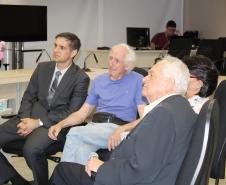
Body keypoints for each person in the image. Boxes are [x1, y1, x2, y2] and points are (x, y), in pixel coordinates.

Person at [50, 55, 197, 185]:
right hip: (143, 173)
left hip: (130, 178)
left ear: (169, 84)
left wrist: (101, 167)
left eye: (151, 75)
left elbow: (140, 171)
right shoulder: (179, 107)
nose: (144, 79)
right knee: (81, 156)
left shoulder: (163, 115)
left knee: (63, 170)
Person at [0, 32, 90, 185]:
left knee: (31, 150)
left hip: (54, 124)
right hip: (28, 117)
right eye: (55, 45)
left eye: (62, 47)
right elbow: (28, 96)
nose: (56, 50)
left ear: (73, 52)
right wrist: (25, 119)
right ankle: (17, 180)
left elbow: (72, 111)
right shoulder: (42, 68)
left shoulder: (80, 78)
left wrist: (38, 123)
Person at [48, 43, 147, 165]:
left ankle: (61, 178)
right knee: (82, 152)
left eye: (117, 61)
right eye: (110, 58)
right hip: (95, 127)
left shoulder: (137, 80)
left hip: (118, 127)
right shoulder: (99, 80)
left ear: (127, 66)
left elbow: (145, 117)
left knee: (74, 133)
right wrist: (60, 124)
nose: (111, 63)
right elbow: (82, 113)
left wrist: (122, 129)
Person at [107, 55, 219, 150]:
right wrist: (123, 128)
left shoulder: (185, 111)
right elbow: (147, 120)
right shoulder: (195, 105)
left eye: (184, 75)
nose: (179, 78)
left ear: (198, 84)